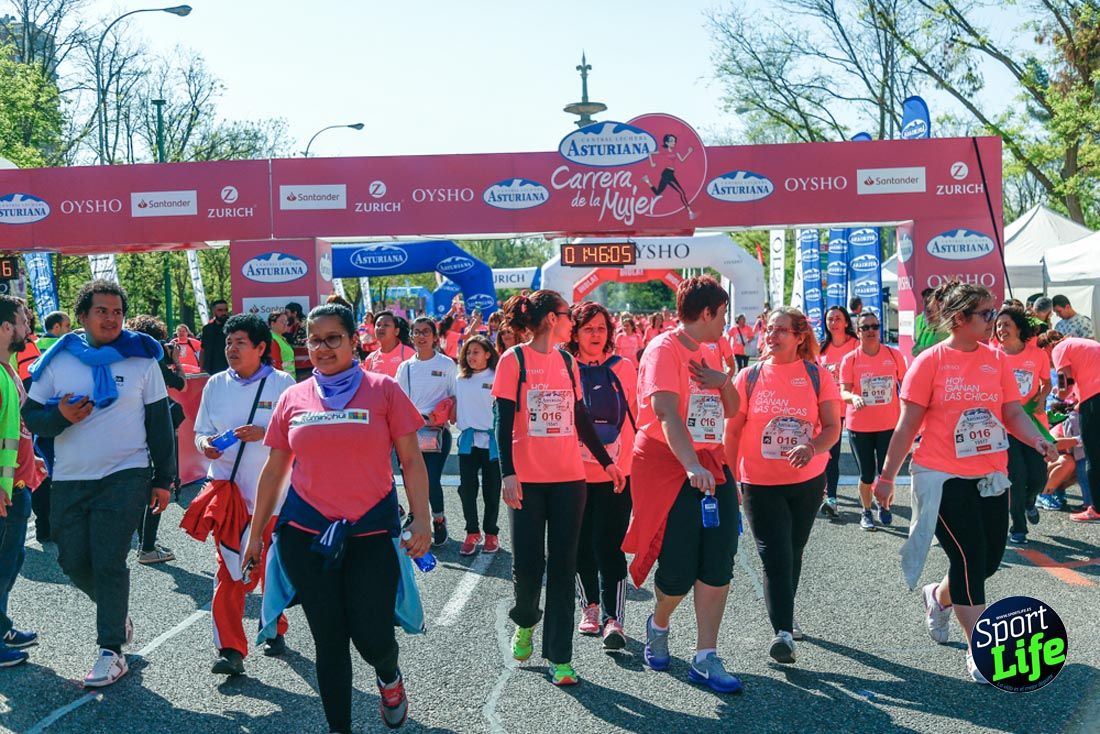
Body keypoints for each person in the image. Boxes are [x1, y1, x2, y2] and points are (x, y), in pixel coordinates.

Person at [242, 303, 431, 733]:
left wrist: (422, 520)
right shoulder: (293, 397)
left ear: (352, 341)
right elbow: (275, 470)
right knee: (329, 642)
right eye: (315, 339)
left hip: (370, 532)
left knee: (373, 638)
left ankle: (389, 676)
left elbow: (411, 461)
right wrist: (257, 536)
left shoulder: (383, 389)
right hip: (306, 535)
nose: (323, 347)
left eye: (333, 338)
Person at [873, 281, 1057, 683]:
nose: (993, 321)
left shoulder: (996, 361)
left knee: (990, 559)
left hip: (991, 474)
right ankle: (981, 647)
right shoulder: (931, 361)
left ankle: (937, 598)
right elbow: (907, 426)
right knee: (970, 557)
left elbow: (1012, 413)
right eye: (986, 314)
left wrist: (1039, 439)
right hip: (942, 475)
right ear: (959, 319)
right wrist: (886, 476)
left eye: (993, 313)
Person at [22, 279, 175, 688]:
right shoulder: (59, 359)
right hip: (70, 477)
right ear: (83, 316)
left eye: (117, 311)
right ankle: (115, 614)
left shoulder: (142, 359)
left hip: (126, 474)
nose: (111, 318)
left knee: (108, 559)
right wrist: (61, 418)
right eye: (102, 311)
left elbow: (160, 425)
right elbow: (32, 415)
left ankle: (111, 650)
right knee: (71, 559)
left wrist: (163, 479)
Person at [493, 290, 624, 687]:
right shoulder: (512, 360)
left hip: (569, 480)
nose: (572, 323)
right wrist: (507, 473)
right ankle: (527, 620)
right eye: (569, 316)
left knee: (564, 569)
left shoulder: (567, 362)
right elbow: (502, 421)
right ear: (552, 318)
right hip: (528, 481)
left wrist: (607, 462)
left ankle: (560, 658)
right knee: (530, 568)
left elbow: (580, 416)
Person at [624, 276, 743, 692]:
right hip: (668, 464)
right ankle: (659, 622)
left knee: (719, 555)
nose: (725, 322)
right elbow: (666, 414)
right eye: (722, 314)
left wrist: (722, 380)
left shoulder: (716, 348)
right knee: (676, 565)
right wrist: (691, 465)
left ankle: (706, 655)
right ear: (707, 313)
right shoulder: (663, 348)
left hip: (712, 462)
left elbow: (732, 410)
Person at [724, 307, 841, 664]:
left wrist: (812, 447)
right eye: (769, 330)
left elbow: (833, 428)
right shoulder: (749, 377)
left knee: (793, 550)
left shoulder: (817, 376)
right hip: (759, 481)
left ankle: (785, 613)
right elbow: (732, 432)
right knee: (774, 554)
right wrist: (730, 479)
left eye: (780, 331)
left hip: (806, 480)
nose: (771, 336)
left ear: (799, 337)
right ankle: (784, 634)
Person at [187, 314, 297, 676]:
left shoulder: (282, 383)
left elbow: (297, 433)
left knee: (270, 567)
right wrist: (206, 445)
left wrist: (263, 432)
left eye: (240, 342)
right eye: (228, 342)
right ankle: (230, 649)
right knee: (229, 571)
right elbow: (201, 429)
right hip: (227, 494)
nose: (231, 348)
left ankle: (273, 627)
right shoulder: (215, 383)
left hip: (274, 498)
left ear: (261, 348)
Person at [566, 302, 637, 651]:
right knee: (580, 544)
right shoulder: (563, 367)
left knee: (610, 545)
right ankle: (589, 606)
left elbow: (640, 417)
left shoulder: (624, 368)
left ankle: (614, 618)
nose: (596, 335)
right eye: (588, 328)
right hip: (571, 474)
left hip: (617, 474)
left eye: (601, 328)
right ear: (574, 333)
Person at [0, 297, 45, 667]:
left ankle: (1, 626)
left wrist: (35, 465)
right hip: (4, 493)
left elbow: (18, 432)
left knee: (13, 559)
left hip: (17, 488)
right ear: (4, 329)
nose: (28, 328)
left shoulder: (8, 369)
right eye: (21, 322)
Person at [126, 316, 186, 566]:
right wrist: (176, 361)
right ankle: (148, 546)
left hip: (131, 431)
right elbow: (179, 384)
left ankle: (144, 543)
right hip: (155, 429)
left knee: (142, 485)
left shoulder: (127, 358)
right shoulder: (154, 360)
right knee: (158, 485)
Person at [839, 311, 907, 531]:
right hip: (860, 425)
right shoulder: (850, 360)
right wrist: (855, 397)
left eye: (874, 326)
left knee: (886, 473)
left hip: (889, 424)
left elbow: (905, 386)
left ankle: (885, 505)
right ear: (858, 332)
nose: (870, 331)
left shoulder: (893, 355)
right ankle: (866, 511)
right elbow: (843, 392)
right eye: (865, 327)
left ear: (880, 329)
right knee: (867, 474)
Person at [395, 317, 457, 546]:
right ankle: (415, 515)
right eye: (417, 332)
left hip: (438, 433)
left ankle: (438, 519)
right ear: (411, 337)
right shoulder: (405, 367)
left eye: (426, 332)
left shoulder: (447, 364)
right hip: (411, 433)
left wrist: (441, 414)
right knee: (410, 479)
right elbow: (398, 401)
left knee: (431, 479)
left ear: (434, 337)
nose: (421, 336)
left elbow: (455, 396)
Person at [995, 308, 1052, 542]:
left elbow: (1046, 382)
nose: (1001, 329)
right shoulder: (992, 355)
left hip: (1032, 424)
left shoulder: (1037, 355)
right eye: (998, 326)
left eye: (1006, 324)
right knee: (1016, 477)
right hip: (1004, 426)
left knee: (1039, 476)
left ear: (1018, 327)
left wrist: (1042, 396)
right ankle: (1018, 527)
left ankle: (1030, 500)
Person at [454, 335, 501, 555]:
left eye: (476, 352)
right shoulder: (460, 380)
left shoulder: (497, 376)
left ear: (488, 354)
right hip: (468, 443)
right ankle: (472, 532)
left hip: (493, 443)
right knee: (467, 490)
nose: (471, 356)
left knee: (492, 491)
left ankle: (491, 533)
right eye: (468, 352)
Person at [1050, 335, 1100, 522]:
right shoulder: (1085, 344)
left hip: (1095, 400)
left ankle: (1095, 509)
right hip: (1094, 396)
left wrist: (1058, 400)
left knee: (1092, 455)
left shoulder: (1059, 349)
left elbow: (1066, 383)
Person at [816, 306, 857, 518]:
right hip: (830, 408)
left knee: (863, 457)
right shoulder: (821, 349)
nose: (833, 322)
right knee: (832, 454)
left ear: (846, 322)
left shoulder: (856, 345)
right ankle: (831, 497)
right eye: (830, 319)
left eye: (838, 318)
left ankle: (871, 492)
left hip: (855, 407)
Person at [642, 133, 698, 220]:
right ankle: (690, 212)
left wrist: (688, 152)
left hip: (670, 173)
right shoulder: (663, 151)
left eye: (674, 141)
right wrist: (652, 163)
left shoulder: (675, 151)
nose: (674, 142)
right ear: (667, 142)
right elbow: (650, 153)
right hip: (667, 174)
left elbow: (682, 160)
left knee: (657, 193)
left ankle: (647, 181)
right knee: (681, 192)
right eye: (671, 141)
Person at [363, 311, 413, 378]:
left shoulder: (410, 355)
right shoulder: (370, 359)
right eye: (378, 325)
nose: (381, 328)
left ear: (396, 331)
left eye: (386, 325)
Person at [912, 287, 947, 356]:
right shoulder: (922, 323)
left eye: (930, 302)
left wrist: (922, 350)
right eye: (925, 303)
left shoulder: (946, 327)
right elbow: (914, 350)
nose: (927, 306)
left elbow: (939, 350)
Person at [200, 300, 230, 375]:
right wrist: (201, 368)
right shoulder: (207, 329)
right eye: (220, 310)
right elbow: (203, 350)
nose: (224, 313)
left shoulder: (233, 327)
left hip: (229, 368)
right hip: (211, 370)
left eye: (226, 310)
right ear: (214, 311)